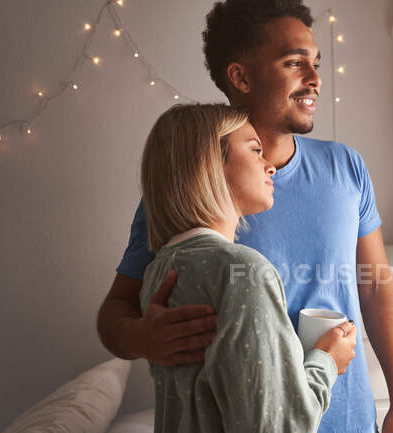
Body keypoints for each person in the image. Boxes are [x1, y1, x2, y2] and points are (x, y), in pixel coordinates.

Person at [97, 1, 393, 432]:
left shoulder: (346, 167)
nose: (315, 80)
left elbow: (377, 286)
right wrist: (141, 338)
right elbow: (117, 309)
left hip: (346, 417)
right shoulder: (192, 193)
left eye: (316, 63)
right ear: (241, 77)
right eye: (294, 63)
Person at [138, 103, 357, 432]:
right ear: (208, 163)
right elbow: (281, 426)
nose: (270, 166)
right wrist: (326, 360)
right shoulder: (242, 270)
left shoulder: (158, 271)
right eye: (255, 150)